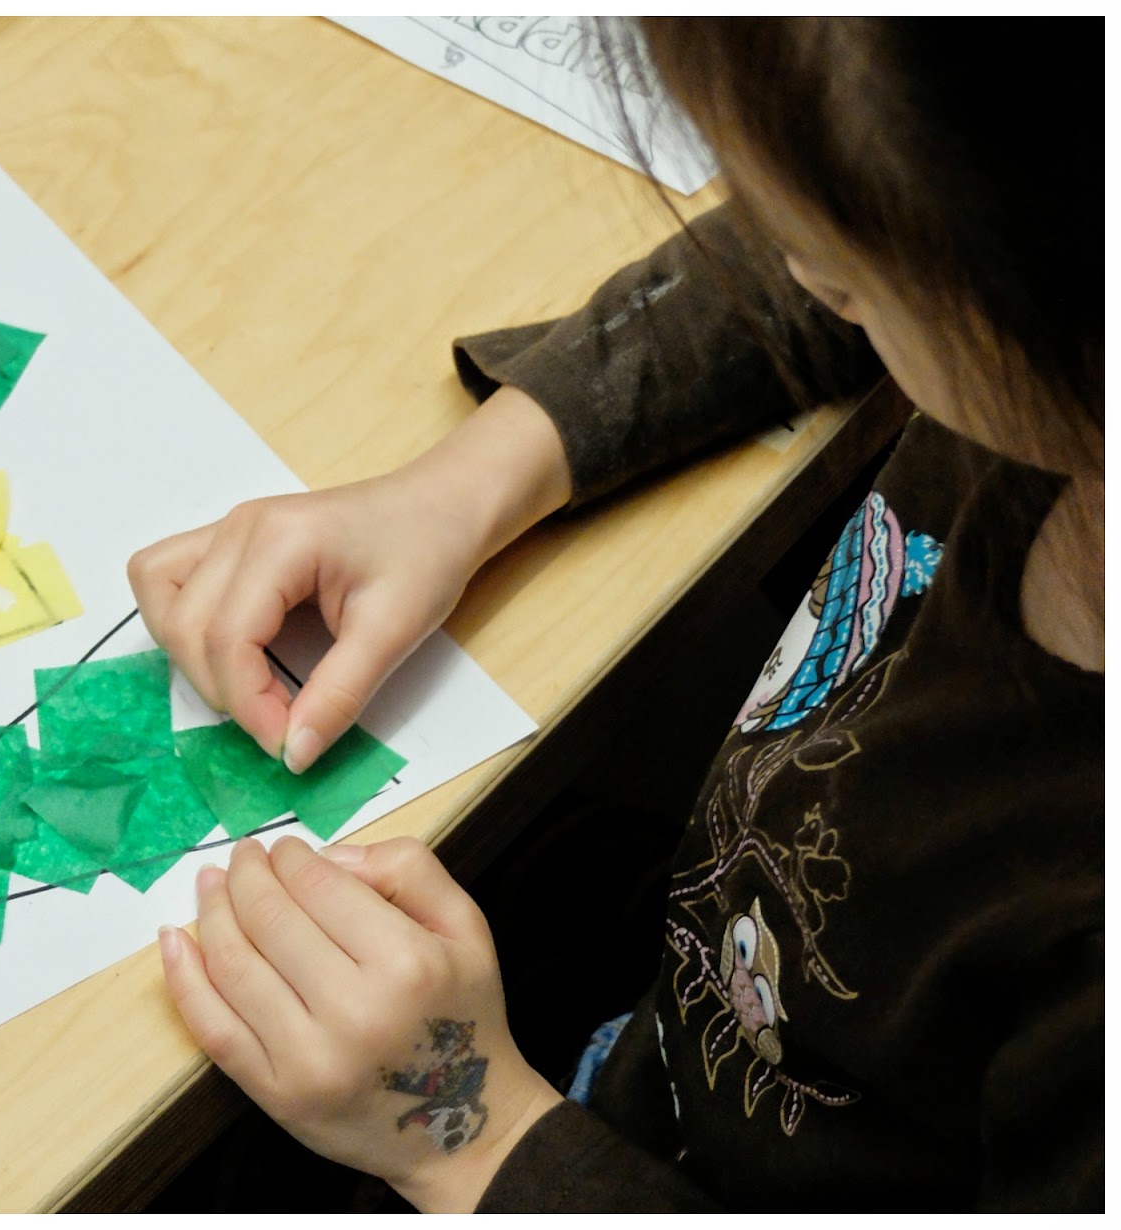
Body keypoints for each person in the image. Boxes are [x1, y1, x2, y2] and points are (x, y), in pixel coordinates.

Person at [130, 17, 1102, 1211]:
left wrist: (471, 1140)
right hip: (672, 1022)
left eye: (841, 271)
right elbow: (830, 210)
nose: (799, 270)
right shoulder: (1031, 301)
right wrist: (463, 486)